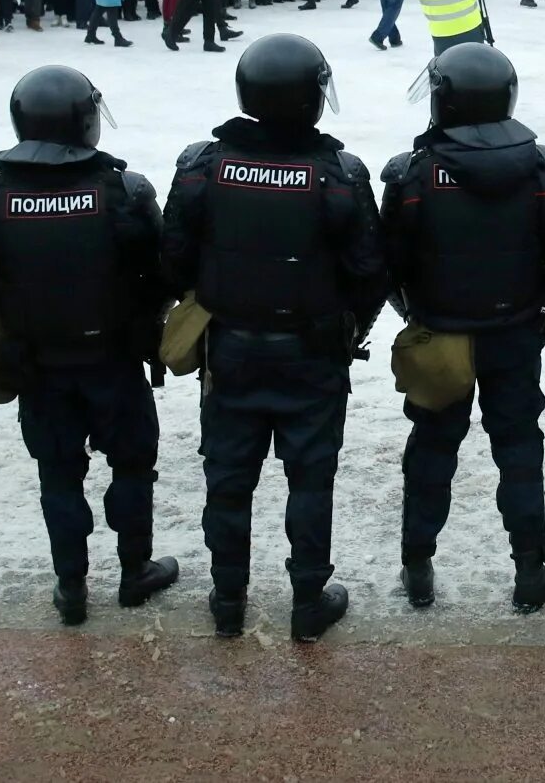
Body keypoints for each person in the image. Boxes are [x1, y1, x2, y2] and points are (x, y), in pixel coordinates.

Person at [161, 36, 385, 641]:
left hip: (230, 348)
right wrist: (346, 329)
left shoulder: (203, 165)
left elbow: (173, 257)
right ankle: (308, 598)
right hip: (311, 351)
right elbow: (369, 271)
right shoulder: (338, 173)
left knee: (228, 477)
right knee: (310, 478)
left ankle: (228, 595)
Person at [0, 67, 175, 625]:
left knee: (57, 472)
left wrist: (7, 328)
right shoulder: (124, 191)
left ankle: (71, 584)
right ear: (85, 121)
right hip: (113, 360)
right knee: (131, 466)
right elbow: (163, 272)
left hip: (38, 364)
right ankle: (134, 571)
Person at [379, 45, 545, 611]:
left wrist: (415, 314)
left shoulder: (413, 172)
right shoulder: (543, 166)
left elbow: (389, 262)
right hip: (514, 333)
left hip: (441, 335)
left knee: (431, 448)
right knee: (518, 449)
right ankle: (530, 570)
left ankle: (418, 565)